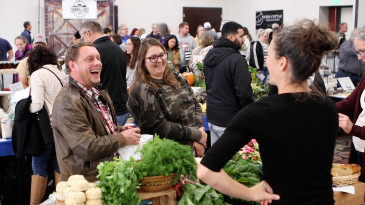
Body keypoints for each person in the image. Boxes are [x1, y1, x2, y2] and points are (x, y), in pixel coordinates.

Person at [198, 19, 338, 205]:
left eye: (269, 56)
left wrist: (250, 193)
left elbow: (205, 171)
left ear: (282, 63)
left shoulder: (259, 113)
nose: (266, 62)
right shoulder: (328, 107)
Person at [52, 42, 141, 182]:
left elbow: (92, 127)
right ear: (72, 65)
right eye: (90, 59)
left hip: (106, 175)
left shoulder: (96, 92)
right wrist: (122, 138)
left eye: (98, 58)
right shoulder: (68, 101)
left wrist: (117, 129)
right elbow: (87, 146)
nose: (98, 63)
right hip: (85, 183)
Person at [127, 38, 207, 157]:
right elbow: (162, 127)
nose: (159, 60)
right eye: (153, 57)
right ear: (143, 62)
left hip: (191, 149)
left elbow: (195, 104)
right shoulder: (143, 89)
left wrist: (198, 135)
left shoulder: (175, 77)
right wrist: (197, 135)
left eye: (161, 55)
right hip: (166, 157)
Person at [27, 45, 67, 204]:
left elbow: (36, 105)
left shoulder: (38, 75)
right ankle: (61, 202)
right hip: (62, 129)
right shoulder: (61, 73)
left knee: (39, 168)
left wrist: (25, 108)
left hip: (45, 130)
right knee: (59, 167)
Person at [204, 21, 253, 146]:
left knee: (218, 161)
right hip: (230, 121)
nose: (243, 40)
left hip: (213, 118)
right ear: (231, 37)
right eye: (241, 36)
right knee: (233, 163)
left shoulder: (210, 55)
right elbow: (244, 93)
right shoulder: (237, 59)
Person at [80, 21, 130, 126]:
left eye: (82, 37)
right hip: (122, 105)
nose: (83, 40)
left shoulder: (94, 52)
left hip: (107, 109)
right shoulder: (118, 48)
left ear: (87, 33)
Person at [337, 26, 365, 182]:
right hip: (359, 148)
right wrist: (321, 109)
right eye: (358, 52)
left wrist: (353, 129)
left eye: (362, 51)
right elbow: (349, 103)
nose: (359, 58)